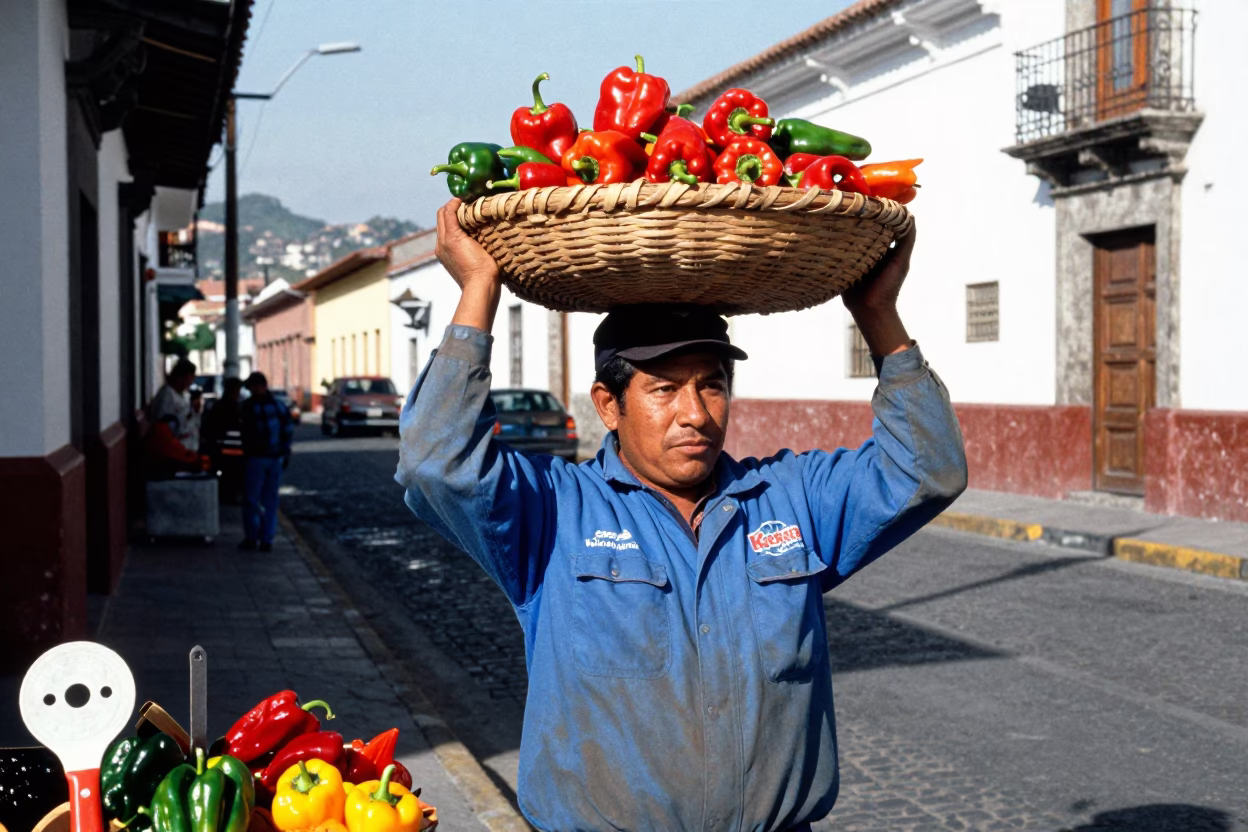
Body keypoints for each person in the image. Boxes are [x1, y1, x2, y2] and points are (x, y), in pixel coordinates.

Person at [395, 199, 968, 831]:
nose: (696, 413)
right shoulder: (556, 511)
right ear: (609, 405)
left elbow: (928, 469)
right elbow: (436, 461)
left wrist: (879, 315)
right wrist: (478, 291)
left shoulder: (787, 498)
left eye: (713, 384)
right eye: (665, 388)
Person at [238, 371, 293, 552]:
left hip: (256, 458)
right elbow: (288, 431)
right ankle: (267, 538)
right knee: (270, 501)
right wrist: (285, 453)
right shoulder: (278, 406)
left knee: (253, 500)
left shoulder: (248, 407)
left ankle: (253, 537)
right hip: (274, 457)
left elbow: (243, 432)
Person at [203, 377, 245, 503]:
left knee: (229, 477)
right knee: (226, 477)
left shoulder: (221, 406)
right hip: (225, 452)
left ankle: (229, 495)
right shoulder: (229, 407)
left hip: (229, 452)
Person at [148, 357, 196, 443]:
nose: (189, 383)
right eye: (187, 380)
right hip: (173, 444)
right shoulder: (166, 395)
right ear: (179, 377)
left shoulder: (182, 395)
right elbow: (163, 426)